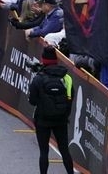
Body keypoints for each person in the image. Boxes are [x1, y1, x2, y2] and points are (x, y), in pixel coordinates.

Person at [27, 46, 76, 174]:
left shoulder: (38, 79)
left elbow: (32, 101)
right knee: (64, 150)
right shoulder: (67, 78)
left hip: (42, 120)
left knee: (44, 152)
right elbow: (70, 98)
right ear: (57, 60)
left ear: (43, 60)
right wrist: (64, 114)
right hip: (61, 120)